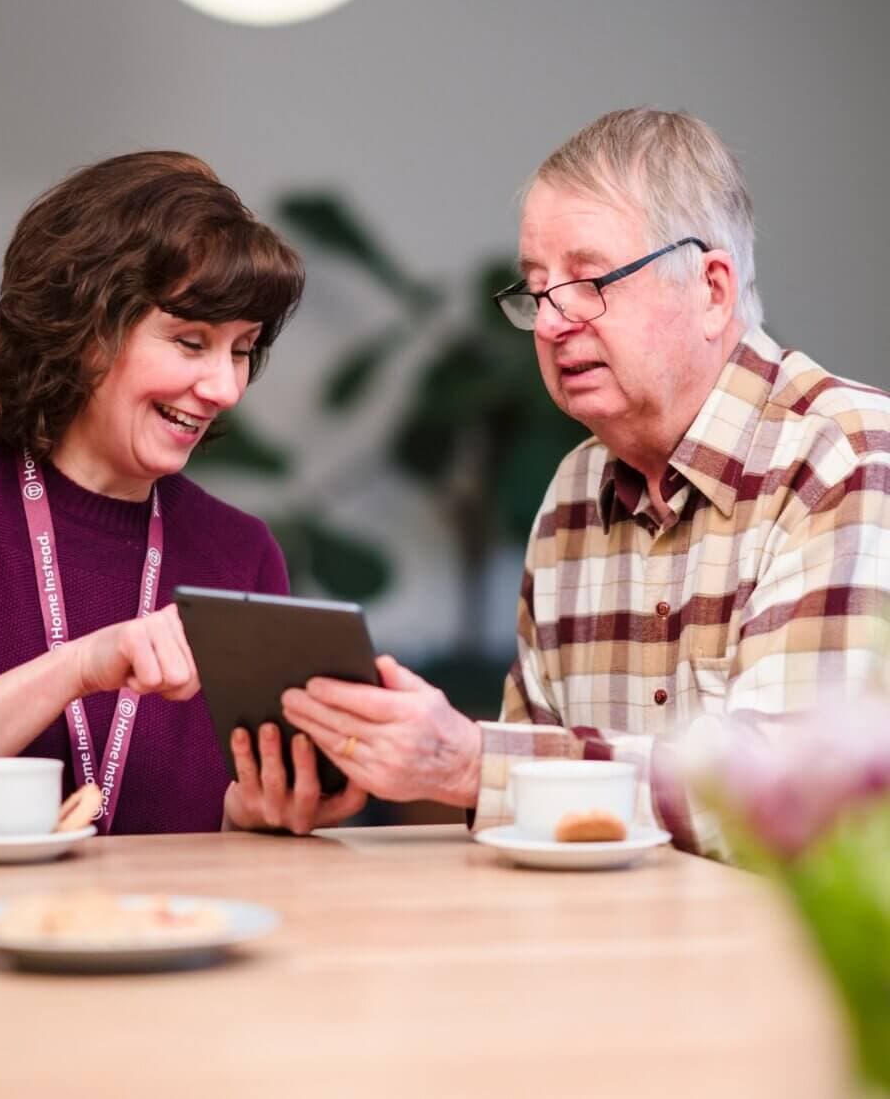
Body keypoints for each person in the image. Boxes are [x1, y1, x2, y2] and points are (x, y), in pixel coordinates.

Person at [282, 108, 890, 858]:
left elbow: (782, 802)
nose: (550, 322)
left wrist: (475, 764)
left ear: (712, 289)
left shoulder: (844, 457)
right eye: (538, 289)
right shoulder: (573, 493)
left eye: (590, 280)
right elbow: (528, 824)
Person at [0, 151, 366, 839]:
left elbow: (219, 829)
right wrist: (81, 666)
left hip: (162, 937)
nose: (225, 389)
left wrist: (249, 816)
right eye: (190, 341)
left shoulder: (240, 553)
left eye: (241, 350)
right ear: (84, 329)